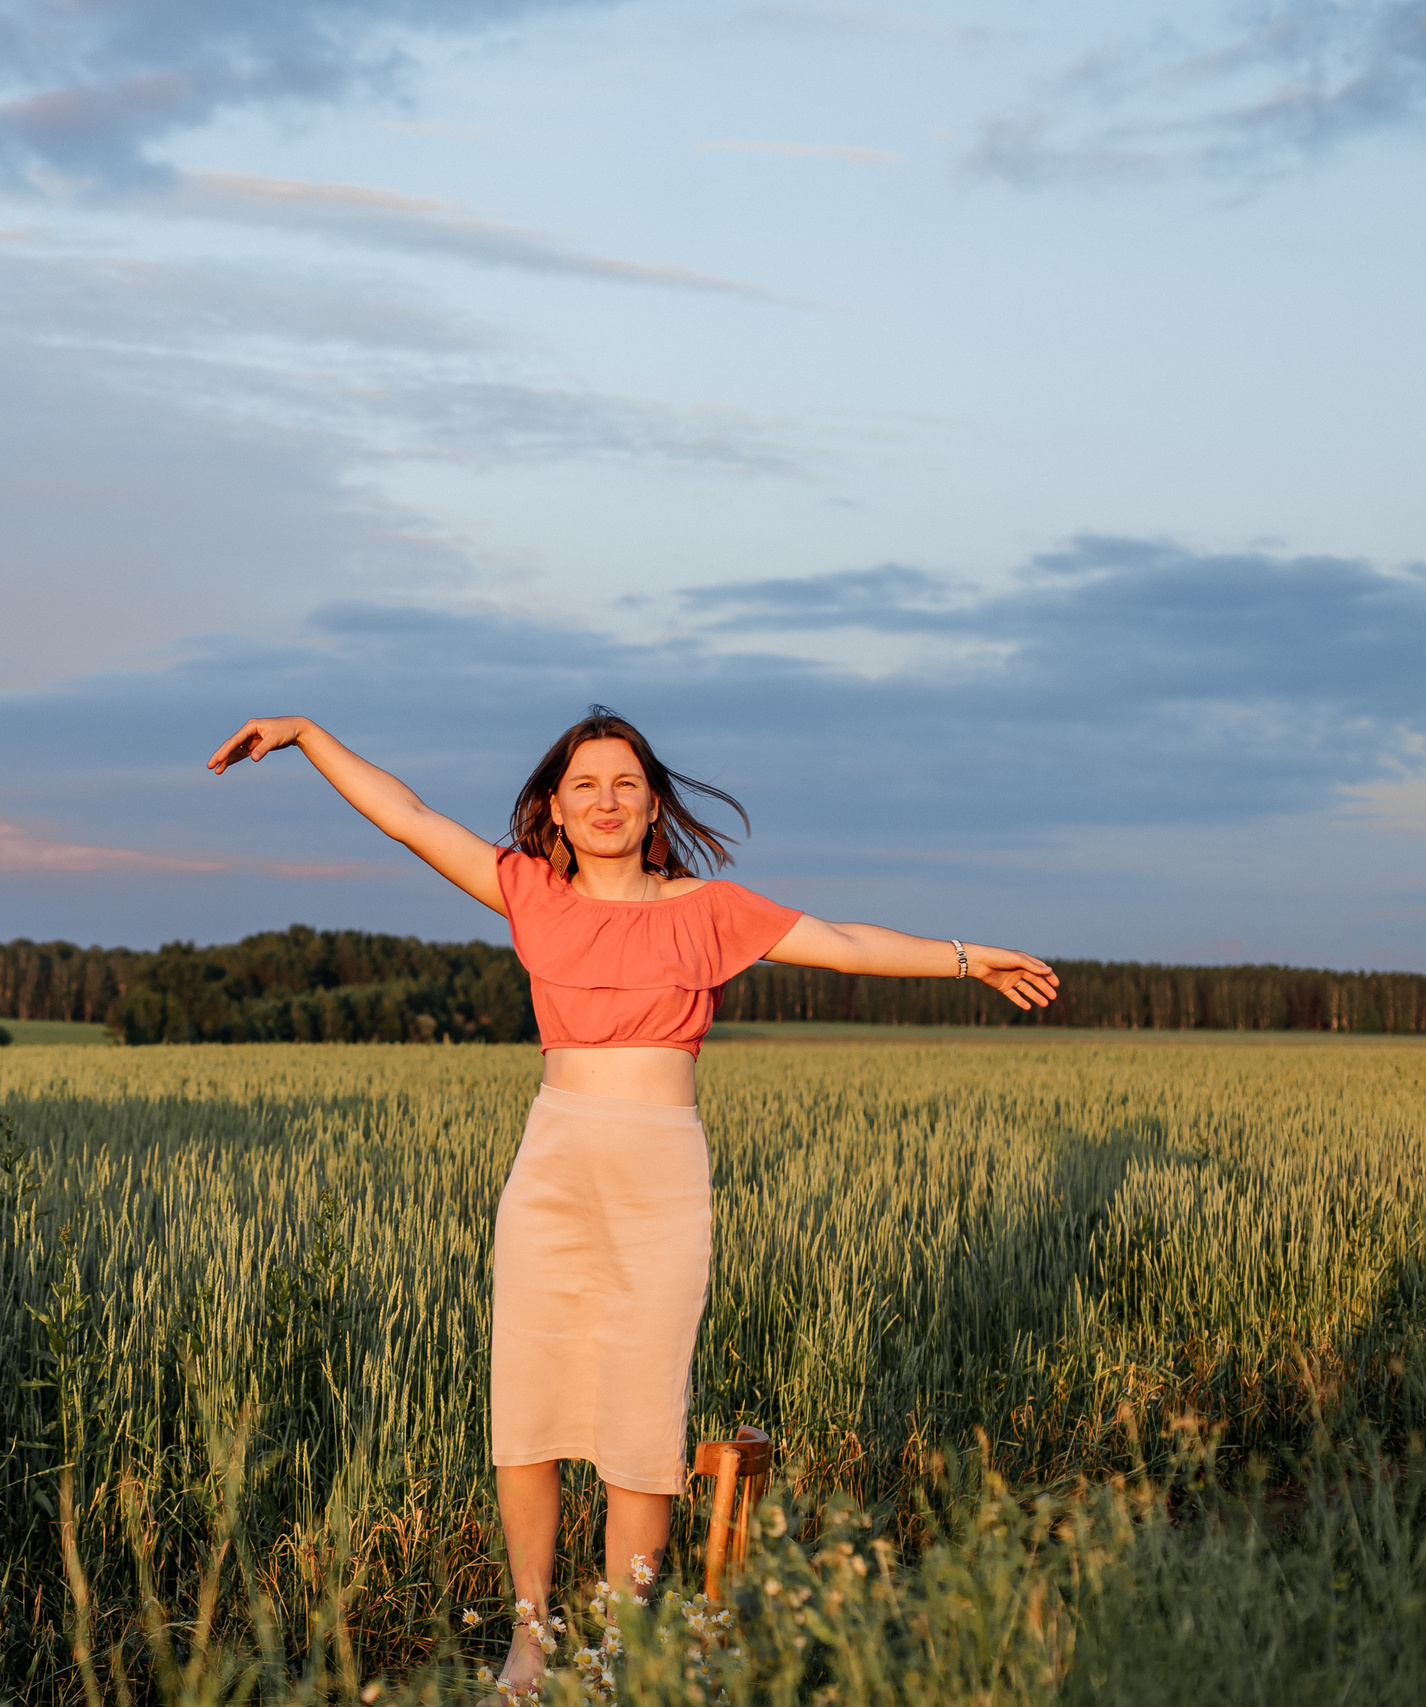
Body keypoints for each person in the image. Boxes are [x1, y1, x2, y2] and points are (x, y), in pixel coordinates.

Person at [206, 706, 1056, 1691]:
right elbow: (405, 815)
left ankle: (620, 1647)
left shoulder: (711, 910)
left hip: (660, 1175)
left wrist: (966, 956)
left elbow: (844, 941)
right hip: (553, 1168)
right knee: (525, 1414)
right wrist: (308, 737)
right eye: (583, 787)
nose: (604, 801)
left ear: (651, 802)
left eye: (623, 784)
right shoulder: (527, 891)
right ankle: (529, 1636)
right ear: (554, 813)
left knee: (639, 1426)